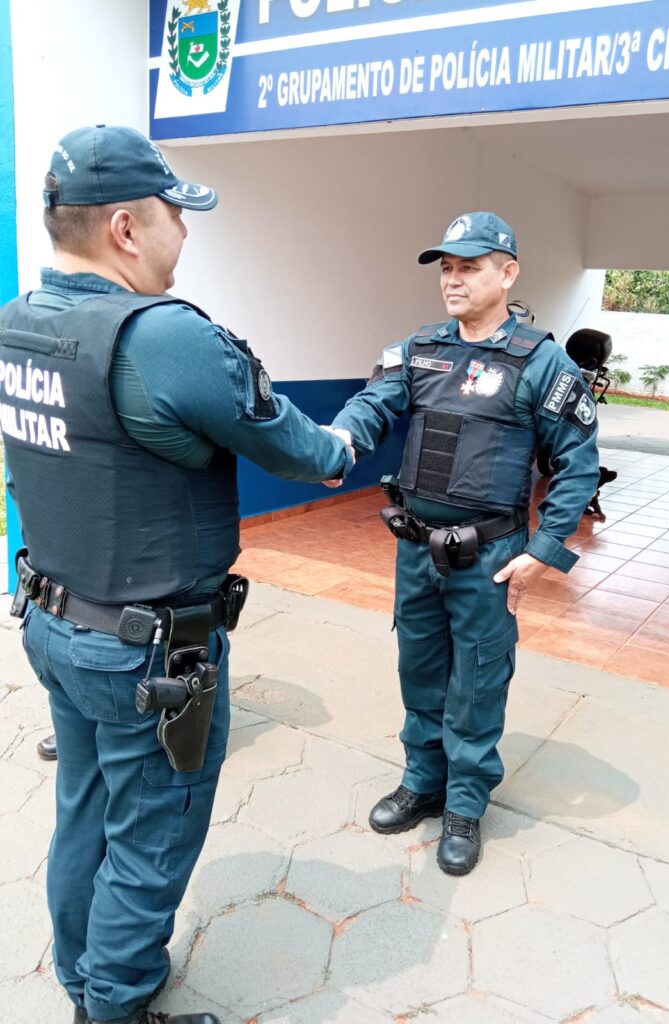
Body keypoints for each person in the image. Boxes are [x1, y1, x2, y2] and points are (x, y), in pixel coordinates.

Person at [0, 125, 353, 1024]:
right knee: (151, 837)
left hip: (55, 620)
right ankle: (111, 1007)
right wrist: (350, 437)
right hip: (150, 659)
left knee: (84, 809)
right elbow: (307, 452)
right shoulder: (160, 337)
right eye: (174, 215)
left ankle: (84, 974)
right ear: (125, 227)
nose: (183, 234)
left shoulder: (18, 325)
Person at [327, 212, 600, 875]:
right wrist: (341, 438)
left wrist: (545, 549)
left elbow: (579, 461)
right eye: (446, 267)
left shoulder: (540, 362)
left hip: (490, 559)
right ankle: (423, 781)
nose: (453, 279)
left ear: (507, 273)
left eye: (468, 266)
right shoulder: (419, 349)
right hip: (417, 551)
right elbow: (374, 403)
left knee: (476, 682)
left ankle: (466, 804)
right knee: (419, 670)